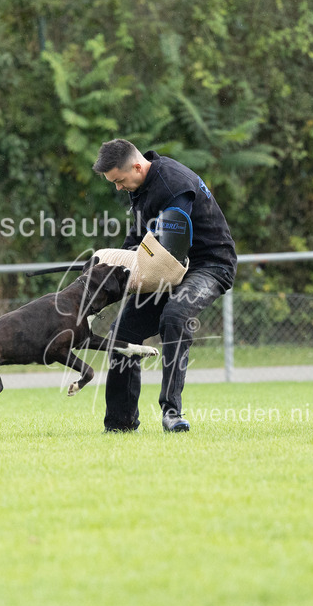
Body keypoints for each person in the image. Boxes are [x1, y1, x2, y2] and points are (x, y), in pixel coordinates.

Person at [93, 138, 236, 433]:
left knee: (175, 315)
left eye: (119, 181)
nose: (118, 188)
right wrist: (110, 274)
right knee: (122, 334)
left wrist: (134, 274)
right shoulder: (141, 186)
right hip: (169, 264)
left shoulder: (173, 186)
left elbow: (171, 252)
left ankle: (171, 412)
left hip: (209, 264)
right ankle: (120, 424)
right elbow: (138, 242)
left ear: (135, 166)